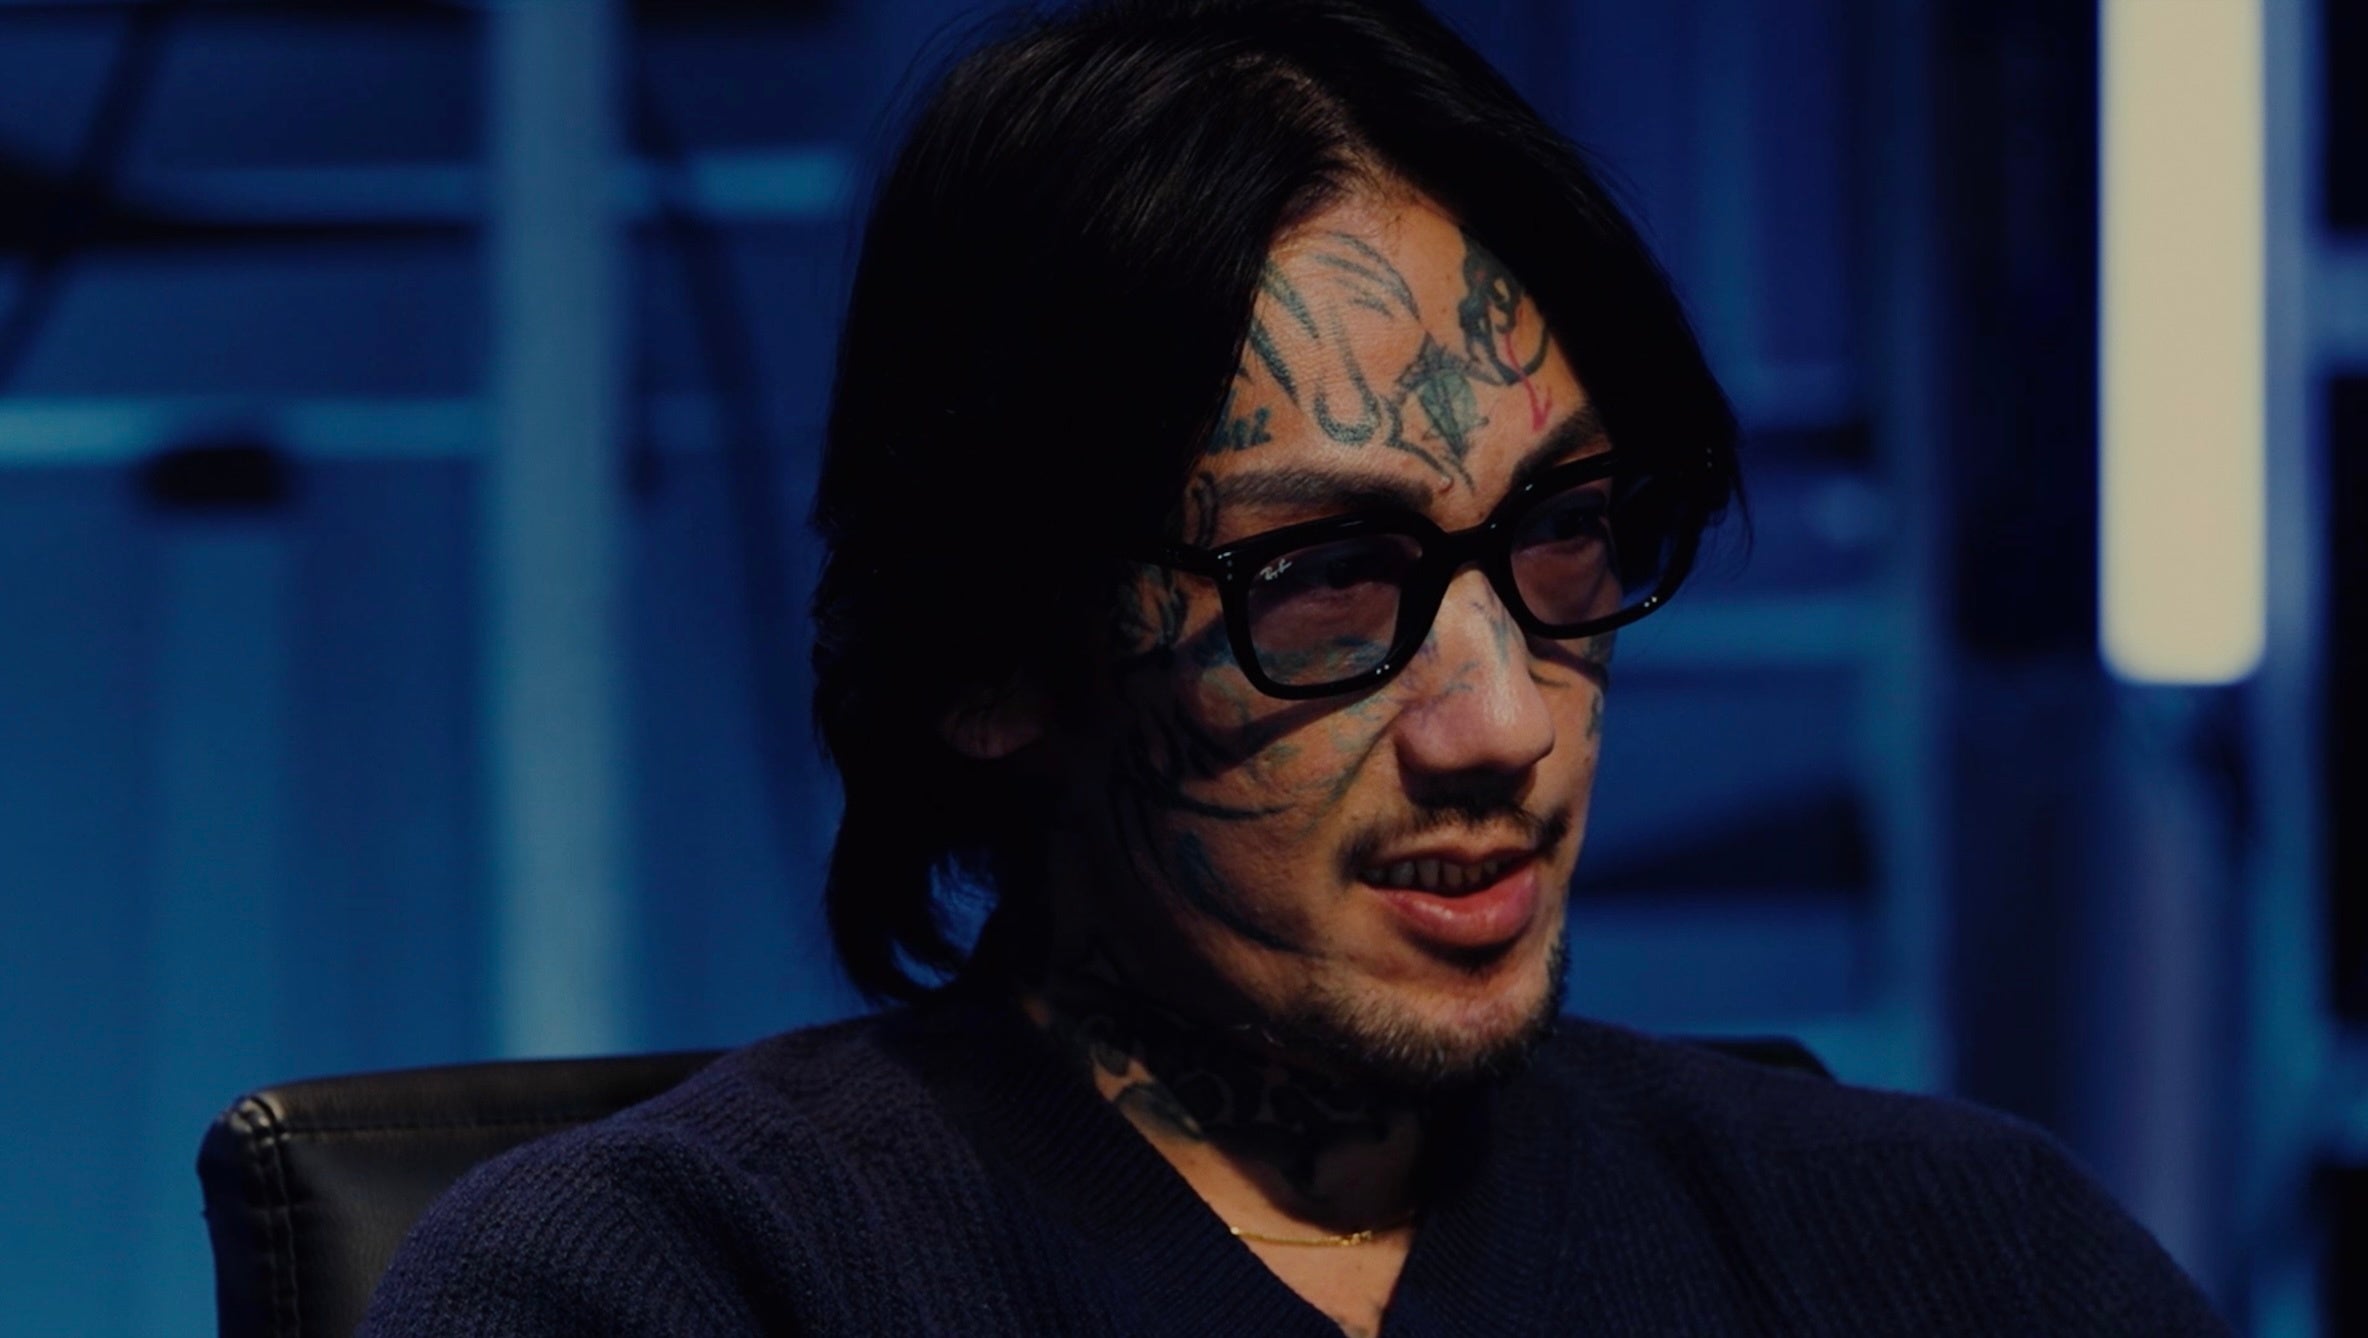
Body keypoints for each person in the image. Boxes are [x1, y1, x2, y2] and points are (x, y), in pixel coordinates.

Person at [365, 1, 2229, 1333]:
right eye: (1328, 580)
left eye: (1567, 532)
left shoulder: (1955, 1256)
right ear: (995, 660)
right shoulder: (671, 1283)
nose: (1503, 720)